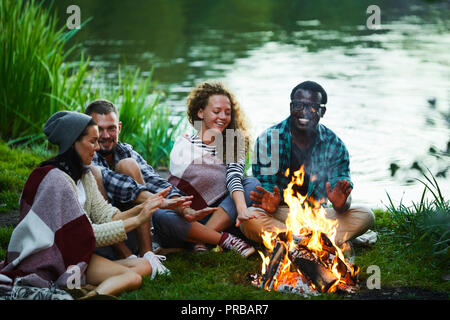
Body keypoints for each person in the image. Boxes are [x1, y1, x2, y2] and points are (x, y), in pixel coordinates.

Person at [0, 111, 161, 299]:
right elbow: (86, 235)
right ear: (73, 142)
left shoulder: (84, 174)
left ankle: (85, 289)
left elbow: (104, 214)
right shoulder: (55, 181)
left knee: (144, 266)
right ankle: (89, 293)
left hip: (75, 254)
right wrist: (138, 219)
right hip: (50, 257)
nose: (97, 147)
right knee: (133, 278)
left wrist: (145, 206)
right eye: (92, 141)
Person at [241, 81, 374, 248]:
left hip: (318, 214)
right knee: (250, 218)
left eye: (312, 107)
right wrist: (271, 205)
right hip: (282, 213)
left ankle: (294, 241)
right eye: (298, 105)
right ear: (291, 107)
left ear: (322, 111)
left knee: (365, 214)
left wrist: (342, 204)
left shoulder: (334, 144)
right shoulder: (270, 139)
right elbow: (267, 188)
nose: (304, 112)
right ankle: (319, 241)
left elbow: (342, 189)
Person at [85, 100, 201, 277]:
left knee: (129, 164)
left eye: (111, 128)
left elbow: (154, 180)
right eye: (99, 129)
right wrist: (158, 201)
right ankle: (128, 257)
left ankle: (147, 254)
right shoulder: (87, 156)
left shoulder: (125, 151)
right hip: (102, 236)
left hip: (129, 227)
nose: (106, 135)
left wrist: (181, 204)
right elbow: (113, 182)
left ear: (119, 127)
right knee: (96, 174)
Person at [153, 81, 260, 257]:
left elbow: (234, 177)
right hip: (186, 217)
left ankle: (202, 238)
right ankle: (211, 239)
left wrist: (241, 209)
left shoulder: (234, 143)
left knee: (251, 183)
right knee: (159, 215)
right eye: (216, 111)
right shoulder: (184, 144)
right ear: (200, 112)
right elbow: (175, 188)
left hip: (220, 215)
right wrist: (188, 212)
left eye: (227, 113)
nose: (223, 117)